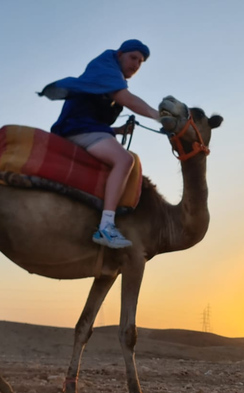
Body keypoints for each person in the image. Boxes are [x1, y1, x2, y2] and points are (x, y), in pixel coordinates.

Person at [39, 39, 160, 249]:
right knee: (124, 160)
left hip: (83, 128)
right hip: (77, 129)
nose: (136, 64)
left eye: (140, 62)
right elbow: (127, 99)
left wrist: (117, 131)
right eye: (133, 57)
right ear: (120, 53)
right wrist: (160, 117)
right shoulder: (105, 67)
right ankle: (106, 227)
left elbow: (91, 115)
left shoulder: (110, 75)